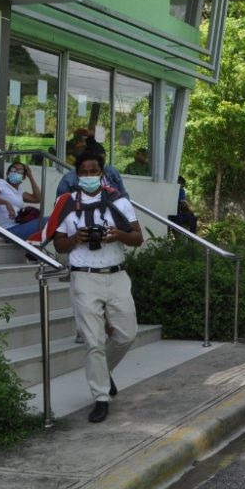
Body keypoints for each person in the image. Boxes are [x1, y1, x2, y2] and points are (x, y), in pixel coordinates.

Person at [52, 151, 142, 423]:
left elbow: (138, 238)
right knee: (93, 341)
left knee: (126, 334)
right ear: (76, 174)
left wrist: (119, 234)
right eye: (84, 172)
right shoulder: (66, 203)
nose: (89, 176)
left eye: (94, 171)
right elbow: (59, 244)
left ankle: (103, 371)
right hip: (84, 276)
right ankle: (101, 397)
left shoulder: (119, 201)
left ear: (102, 174)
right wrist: (75, 239)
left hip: (116, 274)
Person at [0, 161, 45, 242]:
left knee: (49, 222)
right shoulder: (1, 183)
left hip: (18, 226)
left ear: (23, 177)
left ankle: (33, 247)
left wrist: (30, 176)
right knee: (49, 221)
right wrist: (6, 203)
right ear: (8, 173)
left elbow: (37, 199)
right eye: (13, 170)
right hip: (7, 230)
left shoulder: (19, 191)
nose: (16, 173)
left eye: (20, 171)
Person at [56, 140, 128, 198]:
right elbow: (60, 203)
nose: (101, 163)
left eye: (103, 160)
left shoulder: (111, 172)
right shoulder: (69, 178)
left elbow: (124, 195)